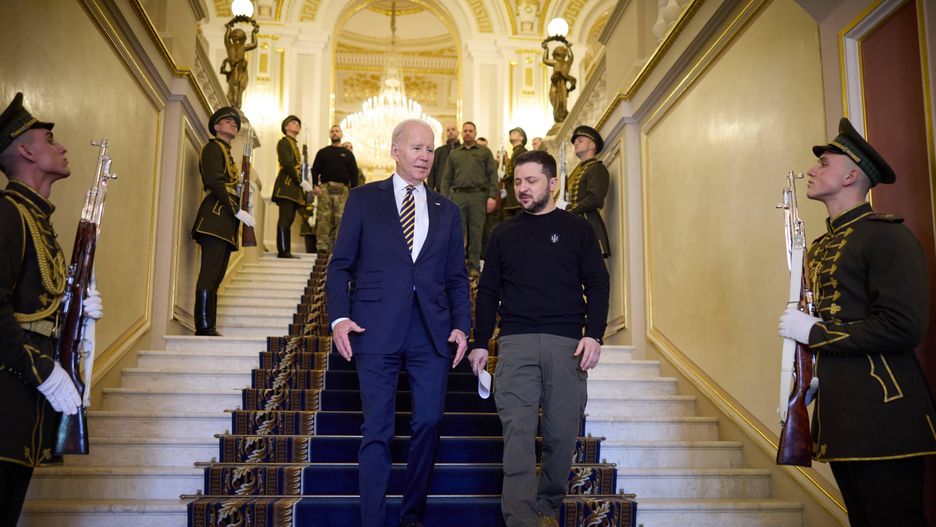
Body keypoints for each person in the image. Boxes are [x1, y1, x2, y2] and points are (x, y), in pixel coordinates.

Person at [777, 118, 936, 527]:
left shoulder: (886, 237)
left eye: (824, 163)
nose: (812, 170)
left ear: (851, 175)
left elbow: (903, 326)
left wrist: (816, 333)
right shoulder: (822, 245)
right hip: (842, 415)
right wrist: (808, 380)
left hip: (884, 414)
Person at [325, 119, 471, 527]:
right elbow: (340, 266)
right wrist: (339, 318)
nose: (425, 157)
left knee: (429, 421)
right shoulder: (362, 199)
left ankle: (411, 515)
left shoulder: (449, 210)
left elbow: (457, 276)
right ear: (395, 150)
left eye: (430, 150)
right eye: (417, 149)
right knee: (377, 429)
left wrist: (462, 324)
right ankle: (372, 519)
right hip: (373, 328)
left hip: (431, 330)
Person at [468, 149, 609, 527]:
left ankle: (546, 507)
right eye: (517, 182)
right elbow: (487, 290)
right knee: (517, 434)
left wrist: (594, 335)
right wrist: (481, 341)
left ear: (552, 183)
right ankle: (520, 519)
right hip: (515, 344)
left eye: (531, 181)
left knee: (562, 434)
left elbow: (597, 283)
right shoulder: (503, 232)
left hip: (567, 347)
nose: (522, 189)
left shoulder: (578, 229)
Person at [0, 92, 104, 524]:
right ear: (25, 150)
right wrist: (40, 370)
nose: (61, 146)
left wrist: (74, 310)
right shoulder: (7, 214)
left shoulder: (38, 220)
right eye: (48, 138)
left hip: (24, 398)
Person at [190, 107, 254, 336]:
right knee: (209, 274)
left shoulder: (226, 152)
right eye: (227, 122)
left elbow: (226, 181)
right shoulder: (212, 148)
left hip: (225, 222)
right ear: (216, 126)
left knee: (216, 277)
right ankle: (204, 327)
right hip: (216, 217)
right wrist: (236, 209)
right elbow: (215, 182)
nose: (233, 125)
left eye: (235, 124)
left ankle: (209, 325)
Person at [440, 121, 498, 277]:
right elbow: (446, 178)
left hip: (479, 196)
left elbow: (493, 175)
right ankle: (458, 266)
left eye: (470, 130)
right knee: (457, 233)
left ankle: (474, 266)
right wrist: (445, 198)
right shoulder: (454, 154)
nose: (467, 133)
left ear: (475, 133)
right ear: (461, 133)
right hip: (458, 196)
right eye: (465, 130)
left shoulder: (485, 152)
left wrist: (492, 196)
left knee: (476, 232)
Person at [563, 125, 610, 258]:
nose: (576, 143)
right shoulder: (582, 171)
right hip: (577, 223)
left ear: (592, 145)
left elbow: (595, 199)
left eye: (580, 140)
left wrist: (570, 208)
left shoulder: (597, 169)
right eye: (575, 142)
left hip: (589, 224)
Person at [312, 124, 359, 253]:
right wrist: (315, 185)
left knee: (342, 219)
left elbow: (354, 173)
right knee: (324, 218)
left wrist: (354, 192)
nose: (334, 133)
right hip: (325, 188)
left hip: (343, 190)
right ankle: (322, 247)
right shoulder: (323, 152)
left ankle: (339, 247)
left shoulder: (348, 154)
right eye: (332, 131)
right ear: (329, 134)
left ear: (341, 134)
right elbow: (315, 169)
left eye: (337, 131)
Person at [272, 115, 313, 258]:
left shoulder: (294, 144)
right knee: (285, 218)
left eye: (298, 124)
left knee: (289, 219)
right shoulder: (284, 143)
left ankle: (286, 249)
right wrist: (300, 180)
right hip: (287, 185)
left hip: (293, 188)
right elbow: (288, 163)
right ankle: (283, 250)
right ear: (286, 127)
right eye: (293, 123)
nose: (297, 125)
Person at [220, 17, 259, 109]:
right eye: (234, 36)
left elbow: (254, 44)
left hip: (241, 71)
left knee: (239, 89)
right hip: (233, 71)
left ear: (242, 37)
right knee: (232, 89)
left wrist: (254, 33)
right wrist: (229, 28)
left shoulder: (243, 47)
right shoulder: (229, 46)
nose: (235, 38)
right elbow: (226, 38)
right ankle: (233, 105)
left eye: (237, 36)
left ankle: (237, 105)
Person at [542, 40, 576, 123]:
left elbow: (571, 57)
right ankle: (558, 118)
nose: (561, 53)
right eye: (559, 51)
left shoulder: (567, 63)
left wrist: (568, 47)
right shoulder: (555, 62)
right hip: (555, 84)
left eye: (562, 51)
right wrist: (546, 49)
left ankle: (562, 118)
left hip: (562, 85)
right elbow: (545, 60)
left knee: (562, 102)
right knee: (554, 100)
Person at [501, 127, 528, 219]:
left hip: (517, 192)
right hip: (511, 191)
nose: (511, 134)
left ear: (522, 138)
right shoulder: (515, 151)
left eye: (515, 132)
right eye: (510, 133)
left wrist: (506, 177)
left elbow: (518, 171)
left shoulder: (522, 151)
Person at [427, 122, 459, 192]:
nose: (450, 132)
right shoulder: (438, 151)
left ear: (458, 132)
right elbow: (432, 174)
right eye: (448, 130)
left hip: (459, 191)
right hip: (441, 190)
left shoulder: (463, 151)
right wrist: (430, 191)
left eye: (453, 129)